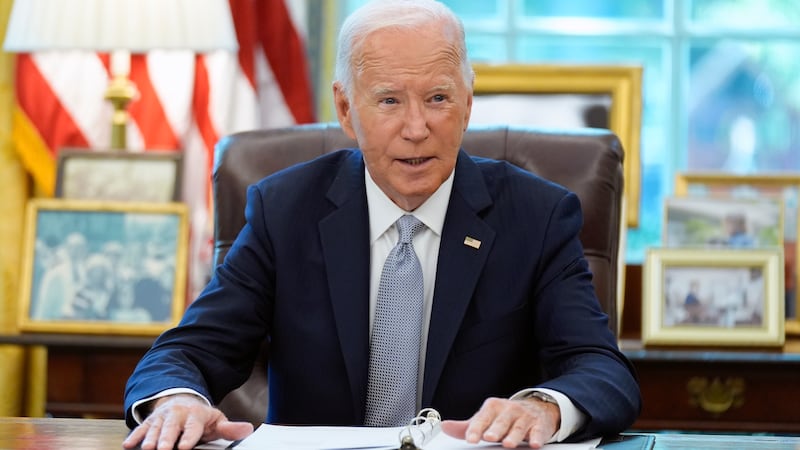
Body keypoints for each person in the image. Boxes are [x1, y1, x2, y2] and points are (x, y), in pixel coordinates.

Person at [122, 1, 641, 449]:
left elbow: (601, 370)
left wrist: (544, 407)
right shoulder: (286, 210)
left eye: (438, 98)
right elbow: (190, 350)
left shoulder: (537, 214)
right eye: (389, 101)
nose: (417, 129)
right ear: (347, 110)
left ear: (466, 104)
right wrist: (175, 402)